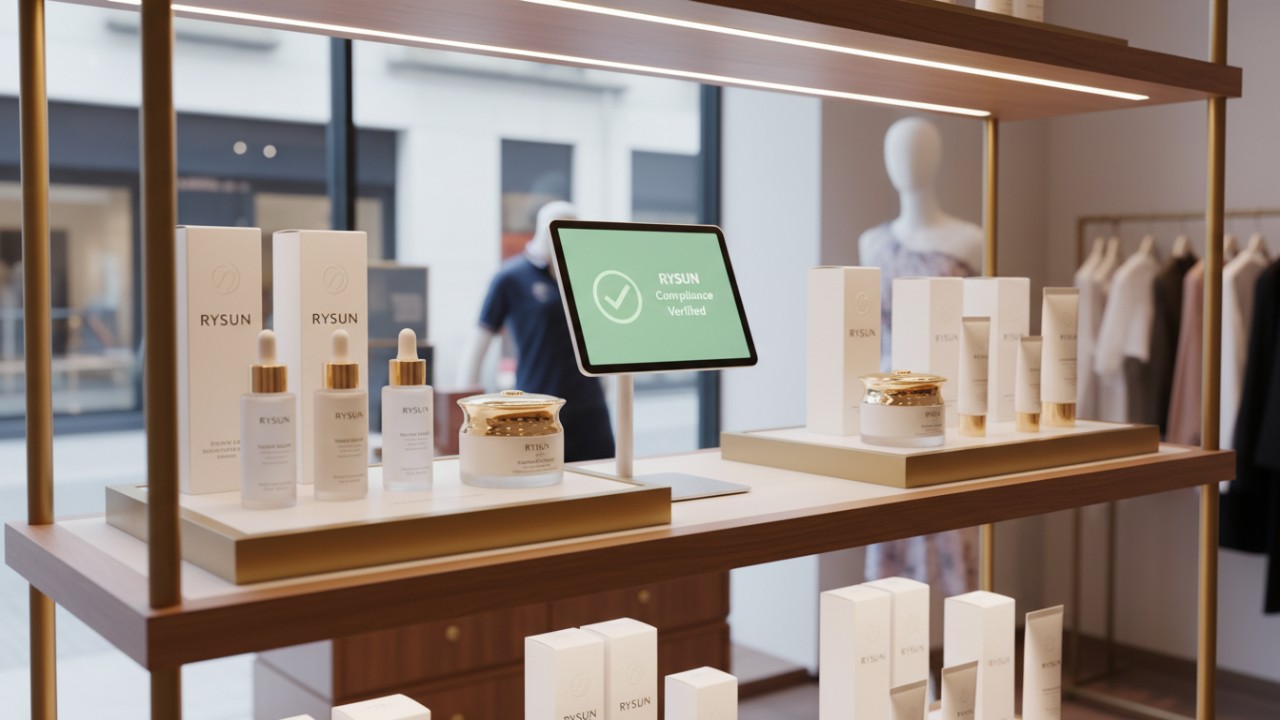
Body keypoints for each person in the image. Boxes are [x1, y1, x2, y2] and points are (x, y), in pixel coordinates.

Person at [860, 117, 979, 596]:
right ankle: (900, 662)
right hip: (886, 405)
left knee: (951, 529)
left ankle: (952, 660)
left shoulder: (969, 239)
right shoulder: (872, 242)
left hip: (946, 399)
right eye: (896, 151)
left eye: (916, 151)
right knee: (892, 537)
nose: (905, 164)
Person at [459, 201, 615, 462]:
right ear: (545, 229)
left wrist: (608, 383)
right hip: (537, 408)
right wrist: (466, 414)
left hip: (591, 408)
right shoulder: (511, 277)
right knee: (541, 488)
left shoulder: (584, 275)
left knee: (603, 486)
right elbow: (478, 343)